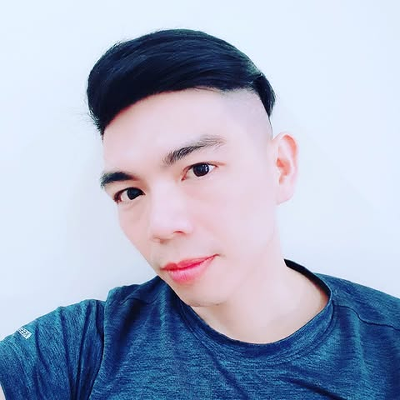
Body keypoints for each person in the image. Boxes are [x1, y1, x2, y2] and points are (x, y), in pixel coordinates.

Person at [0, 28, 399, 399]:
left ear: (280, 168)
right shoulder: (83, 347)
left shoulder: (388, 348)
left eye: (200, 170)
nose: (160, 226)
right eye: (131, 192)